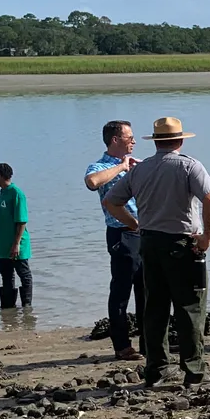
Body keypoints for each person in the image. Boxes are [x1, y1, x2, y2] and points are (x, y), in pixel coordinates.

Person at [102, 117, 210, 386]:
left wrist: (135, 224)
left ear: (156, 142)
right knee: (189, 307)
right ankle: (193, 370)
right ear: (179, 141)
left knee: (155, 307)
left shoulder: (139, 170)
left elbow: (111, 202)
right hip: (182, 243)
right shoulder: (189, 165)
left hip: (150, 243)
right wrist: (206, 238)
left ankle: (156, 369)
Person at [86, 120, 145, 361]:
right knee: (121, 291)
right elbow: (92, 182)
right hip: (121, 233)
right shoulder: (100, 165)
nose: (133, 141)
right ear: (115, 140)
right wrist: (121, 167)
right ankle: (122, 346)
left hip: (144, 232)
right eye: (129, 137)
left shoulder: (135, 163)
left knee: (146, 290)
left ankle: (148, 342)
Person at [0, 163, 32, 308]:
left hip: (16, 244)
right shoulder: (2, 193)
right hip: (3, 245)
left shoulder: (16, 193)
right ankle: (8, 308)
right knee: (6, 276)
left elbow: (21, 221)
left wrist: (16, 243)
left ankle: (27, 306)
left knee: (23, 275)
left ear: (0, 176)